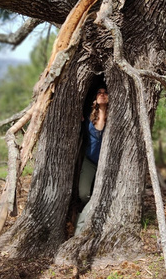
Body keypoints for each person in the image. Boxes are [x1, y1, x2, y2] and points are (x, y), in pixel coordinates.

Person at [75, 87, 109, 234]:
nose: (102, 95)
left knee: (99, 194)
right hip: (90, 160)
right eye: (99, 92)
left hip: (106, 163)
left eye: (105, 92)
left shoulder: (115, 114)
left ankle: (79, 229)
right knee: (83, 194)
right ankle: (85, 211)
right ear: (95, 97)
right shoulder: (89, 114)